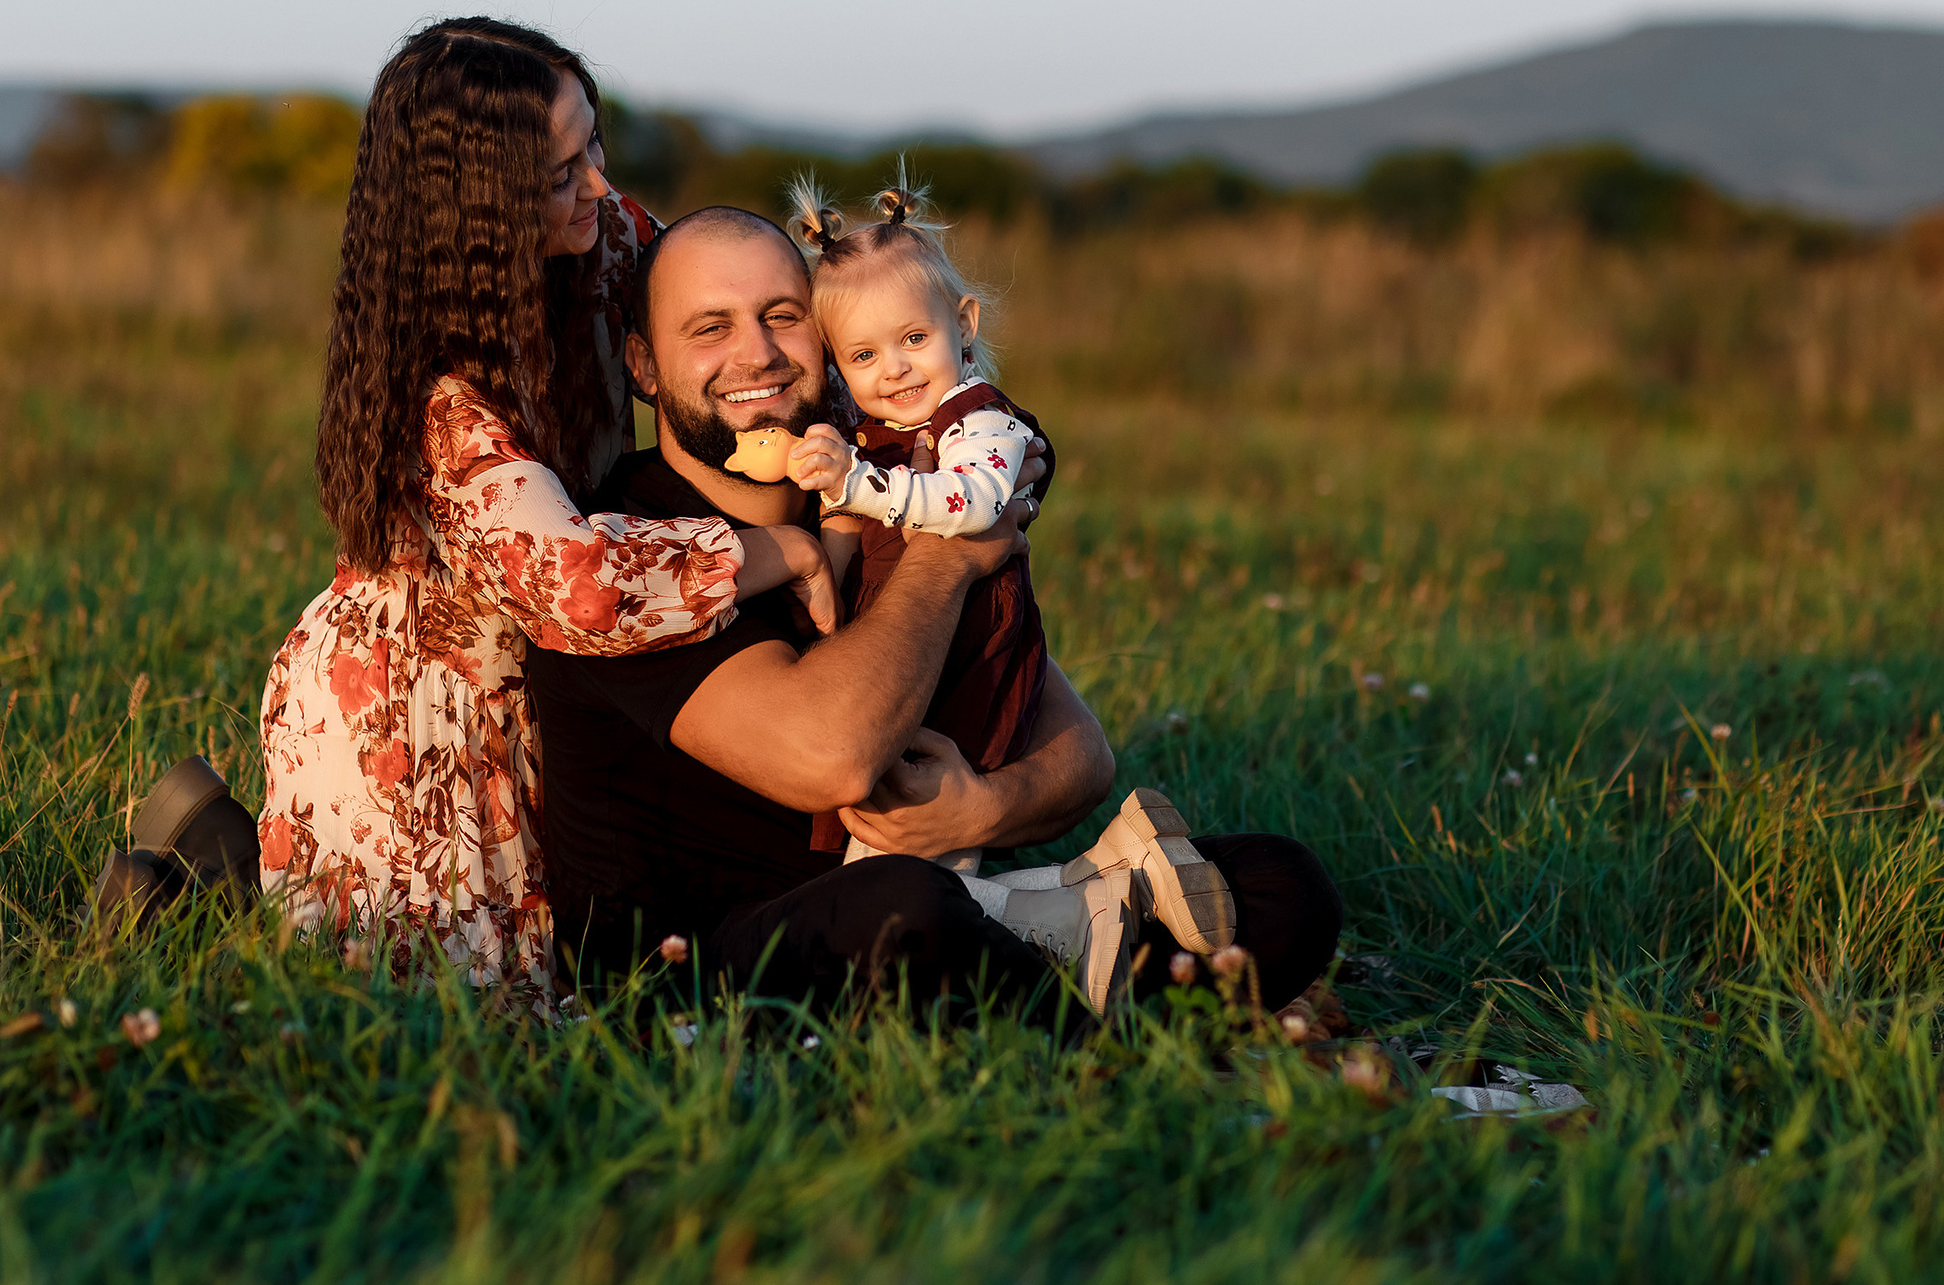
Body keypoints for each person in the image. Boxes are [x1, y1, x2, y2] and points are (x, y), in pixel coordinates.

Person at [527, 205, 1344, 1020]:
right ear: (642, 363)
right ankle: (1095, 1018)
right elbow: (834, 758)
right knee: (901, 909)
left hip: (937, 911)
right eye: (710, 327)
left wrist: (987, 807)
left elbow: (1083, 757)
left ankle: (1057, 991)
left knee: (1279, 886)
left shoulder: (883, 495)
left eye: (784, 316)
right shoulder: (624, 552)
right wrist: (951, 550)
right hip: (710, 967)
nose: (759, 353)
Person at [255, 20, 833, 1000]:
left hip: (552, 696)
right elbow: (572, 586)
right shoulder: (443, 399)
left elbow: (747, 316)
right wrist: (780, 549)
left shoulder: (602, 241)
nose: (600, 189)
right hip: (424, 718)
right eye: (562, 174)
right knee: (461, 1017)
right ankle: (189, 879)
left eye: (595, 149)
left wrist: (940, 437)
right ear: (477, 203)